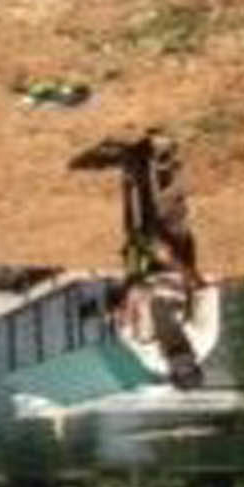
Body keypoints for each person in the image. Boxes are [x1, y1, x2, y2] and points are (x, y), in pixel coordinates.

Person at [70, 130, 206, 390]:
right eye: (184, 355)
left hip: (139, 283)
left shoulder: (149, 358)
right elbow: (202, 288)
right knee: (169, 219)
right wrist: (171, 258)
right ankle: (163, 153)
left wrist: (129, 296)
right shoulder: (204, 335)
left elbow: (124, 326)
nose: (177, 352)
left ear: (169, 369)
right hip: (175, 274)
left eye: (174, 360)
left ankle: (133, 164)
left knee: (136, 227)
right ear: (195, 359)